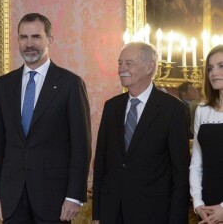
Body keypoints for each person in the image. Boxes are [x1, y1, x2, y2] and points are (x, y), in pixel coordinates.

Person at [0, 13, 91, 223]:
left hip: (54, 198)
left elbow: (81, 146)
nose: (29, 44)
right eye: (23, 37)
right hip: (11, 197)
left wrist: (74, 196)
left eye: (36, 36)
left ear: (49, 39)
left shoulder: (70, 84)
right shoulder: (3, 85)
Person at [92, 41, 190, 224]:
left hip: (152, 213)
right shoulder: (111, 107)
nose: (121, 68)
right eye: (120, 63)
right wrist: (97, 215)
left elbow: (180, 173)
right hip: (111, 212)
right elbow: (101, 164)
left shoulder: (172, 110)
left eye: (129, 63)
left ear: (149, 67)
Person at [190, 44, 223, 224]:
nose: (213, 73)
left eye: (221, 66)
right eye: (210, 68)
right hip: (207, 207)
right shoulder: (201, 110)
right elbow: (196, 163)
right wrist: (198, 202)